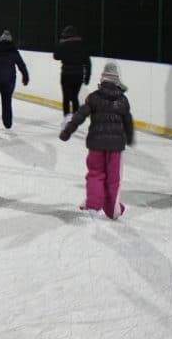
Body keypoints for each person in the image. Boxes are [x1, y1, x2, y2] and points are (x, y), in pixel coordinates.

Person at [60, 62, 134, 220]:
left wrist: (67, 131)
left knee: (95, 174)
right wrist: (129, 137)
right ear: (117, 81)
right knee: (113, 179)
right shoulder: (123, 100)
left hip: (96, 144)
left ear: (102, 80)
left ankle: (93, 205)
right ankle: (112, 210)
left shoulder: (94, 97)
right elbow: (128, 121)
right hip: (115, 147)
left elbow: (79, 116)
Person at [0, 30, 29, 130]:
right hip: (8, 80)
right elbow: (21, 65)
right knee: (7, 101)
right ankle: (7, 124)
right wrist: (25, 77)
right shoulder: (13, 52)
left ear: (1, 40)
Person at [53, 25, 91, 128]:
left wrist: (59, 45)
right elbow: (88, 62)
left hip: (66, 74)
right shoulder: (82, 45)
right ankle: (75, 118)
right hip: (78, 75)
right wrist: (87, 77)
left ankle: (66, 118)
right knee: (74, 97)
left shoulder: (64, 44)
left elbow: (56, 56)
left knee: (66, 97)